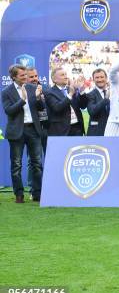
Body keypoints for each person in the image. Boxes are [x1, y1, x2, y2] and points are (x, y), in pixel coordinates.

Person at [1, 64, 45, 203]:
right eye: (22, 76)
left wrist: (38, 98)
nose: (26, 77)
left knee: (37, 163)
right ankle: (19, 194)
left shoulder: (32, 88)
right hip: (16, 132)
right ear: (14, 77)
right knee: (17, 164)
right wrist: (22, 100)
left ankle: (37, 193)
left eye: (26, 75)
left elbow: (41, 108)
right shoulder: (6, 91)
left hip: (33, 130)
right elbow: (9, 111)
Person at [44, 67, 85, 136]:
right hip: (61, 130)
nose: (66, 77)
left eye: (66, 74)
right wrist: (70, 95)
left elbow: (83, 106)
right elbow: (57, 107)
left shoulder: (71, 89)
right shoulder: (49, 92)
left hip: (77, 128)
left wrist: (81, 90)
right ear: (54, 80)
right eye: (62, 75)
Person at [85, 68, 111, 136]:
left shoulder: (113, 92)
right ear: (93, 80)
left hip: (112, 131)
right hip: (96, 133)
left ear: (106, 78)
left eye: (102, 77)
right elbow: (92, 111)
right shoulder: (90, 95)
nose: (100, 80)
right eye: (97, 77)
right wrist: (105, 100)